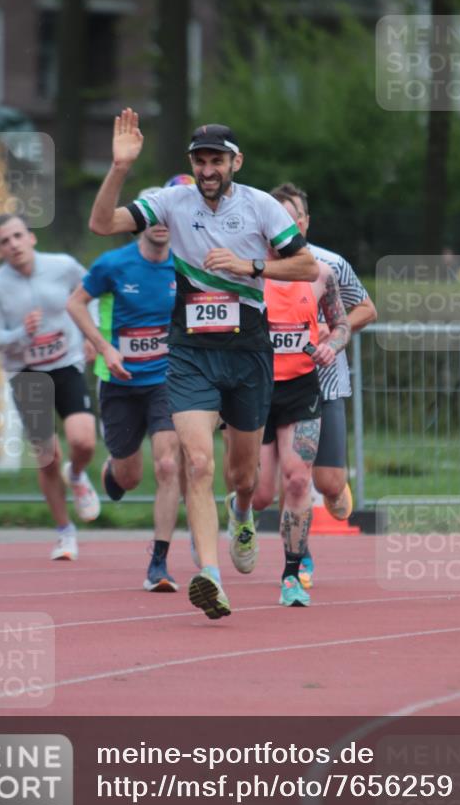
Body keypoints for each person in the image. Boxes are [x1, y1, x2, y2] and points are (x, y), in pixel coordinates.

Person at [89, 109, 318, 620]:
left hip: (247, 352)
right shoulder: (173, 202)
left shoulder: (261, 207)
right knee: (197, 462)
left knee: (242, 474)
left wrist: (250, 265)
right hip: (191, 352)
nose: (208, 169)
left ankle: (241, 510)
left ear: (236, 162)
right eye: (200, 161)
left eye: (216, 160)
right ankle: (210, 577)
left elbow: (306, 265)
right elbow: (102, 224)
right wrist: (120, 168)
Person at [66, 194, 182, 593]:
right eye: (152, 216)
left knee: (168, 465)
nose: (160, 223)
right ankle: (112, 470)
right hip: (120, 381)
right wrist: (103, 347)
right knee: (129, 477)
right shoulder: (113, 264)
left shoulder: (184, 266)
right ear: (138, 222)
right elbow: (75, 304)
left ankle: (159, 562)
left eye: (167, 217)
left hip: (166, 380)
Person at [270, 184, 377, 589]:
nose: (285, 225)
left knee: (328, 484)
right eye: (276, 217)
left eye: (292, 217)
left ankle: (334, 490)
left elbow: (367, 308)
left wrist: (331, 335)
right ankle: (299, 557)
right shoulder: (260, 266)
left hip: (325, 384)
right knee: (291, 476)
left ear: (305, 222)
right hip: (278, 385)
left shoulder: (329, 264)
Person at [0, 213, 100, 561]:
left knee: (83, 441)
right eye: (5, 241)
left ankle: (76, 475)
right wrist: (22, 333)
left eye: (18, 236)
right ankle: (64, 532)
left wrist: (92, 333)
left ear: (31, 238)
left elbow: (92, 294)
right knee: (47, 457)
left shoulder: (62, 266)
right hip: (27, 373)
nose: (14, 245)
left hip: (66, 364)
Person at [251, 258, 350, 606]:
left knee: (297, 480)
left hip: (301, 390)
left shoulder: (320, 274)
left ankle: (291, 574)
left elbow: (342, 324)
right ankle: (240, 510)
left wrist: (331, 346)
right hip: (255, 390)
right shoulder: (248, 272)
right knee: (260, 495)